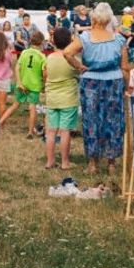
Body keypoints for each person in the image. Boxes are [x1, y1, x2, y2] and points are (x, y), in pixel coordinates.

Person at [64, 2, 129, 174]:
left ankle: (92, 164)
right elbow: (125, 68)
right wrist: (127, 87)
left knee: (91, 120)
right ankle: (111, 163)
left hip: (91, 83)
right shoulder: (119, 39)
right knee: (113, 121)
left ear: (94, 18)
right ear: (109, 19)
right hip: (113, 82)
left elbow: (67, 53)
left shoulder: (85, 37)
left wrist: (79, 66)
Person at [43, 27, 80, 170]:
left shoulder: (49, 58)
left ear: (54, 41)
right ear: (70, 41)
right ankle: (65, 162)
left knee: (51, 132)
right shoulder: (72, 60)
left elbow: (46, 75)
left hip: (52, 99)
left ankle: (50, 161)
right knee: (65, 132)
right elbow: (78, 74)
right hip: (68, 100)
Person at [7, 31, 45, 136]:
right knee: (32, 108)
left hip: (22, 84)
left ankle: (0, 123)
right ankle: (30, 132)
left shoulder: (24, 52)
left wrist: (19, 82)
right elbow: (44, 73)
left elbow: (17, 67)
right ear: (41, 42)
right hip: (34, 85)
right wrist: (44, 85)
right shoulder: (42, 56)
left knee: (15, 105)